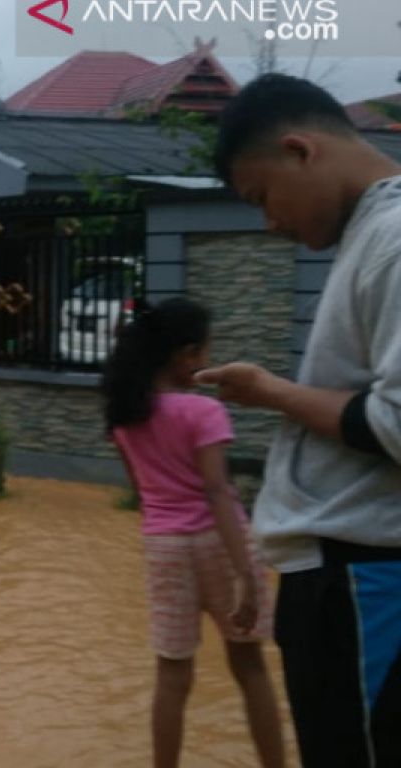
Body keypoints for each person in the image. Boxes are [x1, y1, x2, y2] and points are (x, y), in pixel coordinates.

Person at [197, 73, 401, 767]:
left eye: (263, 198)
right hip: (342, 580)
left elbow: (397, 424)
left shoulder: (395, 239)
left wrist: (271, 392)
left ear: (299, 150)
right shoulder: (371, 236)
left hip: (366, 580)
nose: (270, 223)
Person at [103, 298, 284, 768]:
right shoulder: (204, 413)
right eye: (204, 351)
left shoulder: (125, 417)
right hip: (220, 543)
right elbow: (218, 493)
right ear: (186, 356)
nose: (206, 361)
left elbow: (142, 490)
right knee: (249, 667)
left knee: (172, 675)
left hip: (163, 545)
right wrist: (246, 573)